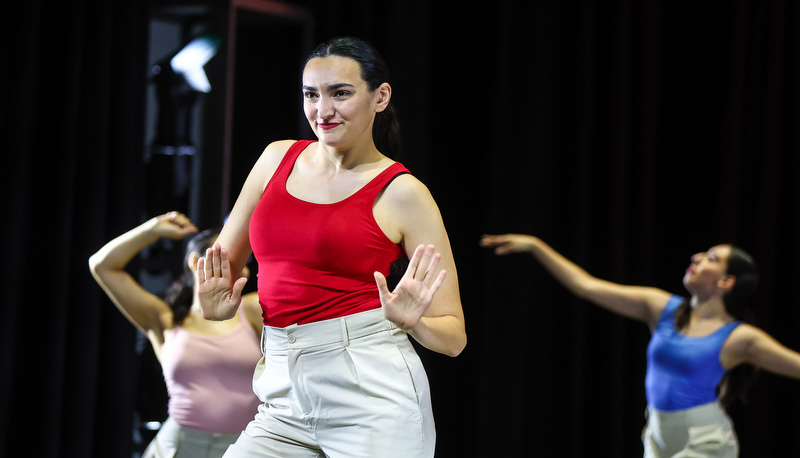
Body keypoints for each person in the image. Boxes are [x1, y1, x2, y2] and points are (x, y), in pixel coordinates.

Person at [194, 36, 467, 458]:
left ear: (380, 97)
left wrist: (413, 323)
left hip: (372, 397)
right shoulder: (275, 158)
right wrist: (212, 308)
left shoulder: (403, 193)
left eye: (340, 93)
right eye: (311, 95)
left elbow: (454, 338)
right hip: (282, 392)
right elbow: (222, 275)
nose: (322, 111)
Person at [480, 233, 800, 458]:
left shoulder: (739, 337)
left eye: (711, 258)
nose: (697, 257)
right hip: (658, 434)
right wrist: (536, 246)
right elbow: (586, 285)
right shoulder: (661, 308)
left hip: (705, 440)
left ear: (727, 282)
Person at [89, 211, 264, 458]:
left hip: (245, 447)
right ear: (195, 263)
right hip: (177, 447)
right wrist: (152, 229)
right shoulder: (165, 321)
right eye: (230, 261)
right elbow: (101, 265)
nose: (244, 271)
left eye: (244, 262)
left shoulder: (251, 310)